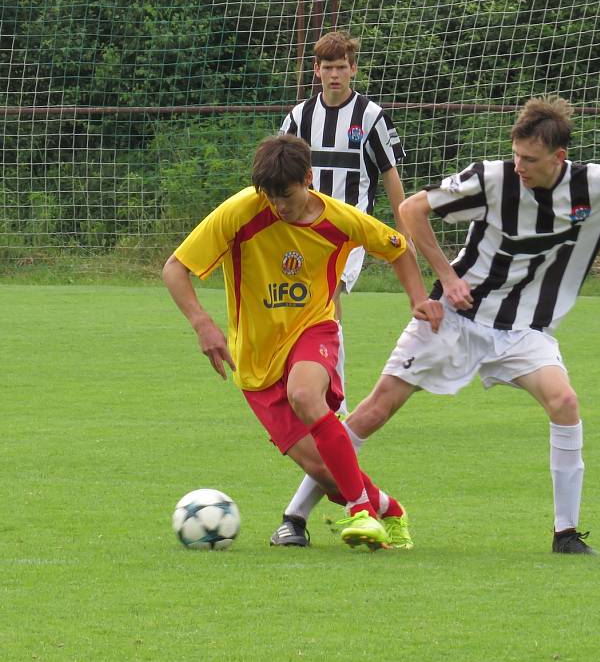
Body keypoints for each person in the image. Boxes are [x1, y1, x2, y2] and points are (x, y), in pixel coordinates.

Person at [270, 94, 600, 554]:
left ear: (559, 158)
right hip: (455, 317)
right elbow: (411, 208)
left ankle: (566, 533)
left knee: (564, 402)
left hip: (522, 331)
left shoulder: (596, 184)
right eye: (515, 155)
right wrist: (446, 276)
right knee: (375, 410)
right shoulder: (491, 178)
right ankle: (295, 517)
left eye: (530, 160)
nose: (519, 166)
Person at [162, 134, 442, 551]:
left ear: (308, 179)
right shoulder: (240, 212)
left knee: (305, 395)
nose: (279, 205)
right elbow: (175, 268)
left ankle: (361, 513)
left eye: (287, 195)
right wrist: (202, 323)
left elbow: (397, 248)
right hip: (255, 359)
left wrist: (418, 299)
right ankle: (390, 510)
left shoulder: (340, 219)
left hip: (314, 329)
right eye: (270, 196)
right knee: (325, 470)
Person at [279, 30, 409, 419]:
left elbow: (390, 175)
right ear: (316, 70)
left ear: (353, 69)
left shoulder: (371, 117)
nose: (335, 74)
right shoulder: (298, 117)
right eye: (328, 67)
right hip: (302, 231)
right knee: (301, 306)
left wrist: (405, 232)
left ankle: (336, 403)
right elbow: (279, 171)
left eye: (342, 67)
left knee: (326, 301)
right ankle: (305, 390)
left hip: (349, 232)